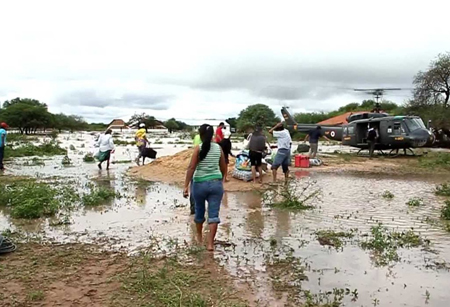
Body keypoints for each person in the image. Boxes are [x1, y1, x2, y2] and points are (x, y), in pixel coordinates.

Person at [183, 124, 227, 251]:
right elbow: (223, 166)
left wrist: (186, 186)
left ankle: (199, 237)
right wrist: (222, 180)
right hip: (215, 183)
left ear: (200, 135)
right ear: (212, 134)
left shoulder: (198, 148)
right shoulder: (218, 148)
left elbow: (191, 167)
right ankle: (210, 245)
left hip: (199, 184)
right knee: (214, 215)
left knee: (199, 211)